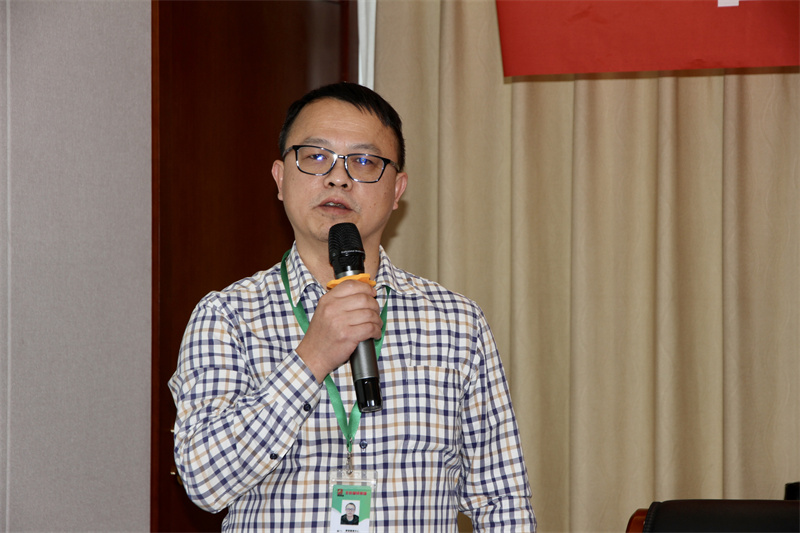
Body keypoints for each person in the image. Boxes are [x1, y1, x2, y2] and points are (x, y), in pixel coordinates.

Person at [169, 82, 536, 531]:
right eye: (315, 156)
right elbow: (205, 483)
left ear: (397, 189)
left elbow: (502, 502)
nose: (338, 178)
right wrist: (312, 357)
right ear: (280, 179)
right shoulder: (226, 316)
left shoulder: (456, 323)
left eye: (363, 161)